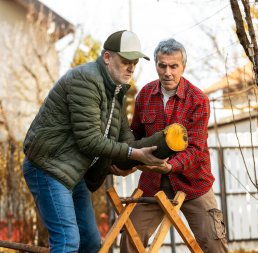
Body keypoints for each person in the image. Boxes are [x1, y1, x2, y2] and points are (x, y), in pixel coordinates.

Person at [22, 30, 165, 253]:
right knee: (68, 241)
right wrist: (133, 154)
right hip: (49, 167)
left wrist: (145, 161)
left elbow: (125, 137)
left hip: (73, 172)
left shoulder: (116, 91)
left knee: (89, 243)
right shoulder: (86, 80)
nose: (131, 68)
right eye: (126, 61)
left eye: (134, 63)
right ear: (107, 57)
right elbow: (89, 140)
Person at [119, 38, 228, 253]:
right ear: (156, 65)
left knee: (214, 243)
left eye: (173, 66)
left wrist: (170, 166)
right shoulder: (145, 95)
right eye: (162, 65)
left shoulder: (198, 99)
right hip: (152, 183)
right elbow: (136, 135)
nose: (167, 72)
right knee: (130, 239)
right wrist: (128, 158)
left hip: (194, 183)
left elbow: (196, 148)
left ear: (183, 67)